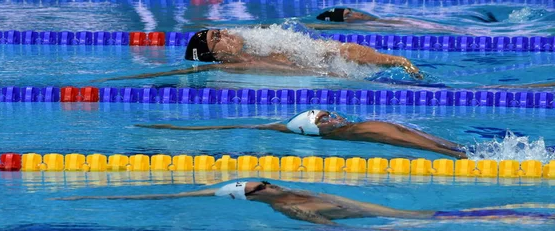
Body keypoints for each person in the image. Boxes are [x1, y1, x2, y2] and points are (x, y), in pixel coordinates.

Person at [54, 180, 553, 226]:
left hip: (370, 211)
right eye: (256, 188)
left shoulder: (278, 193)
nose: (263, 185)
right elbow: (317, 224)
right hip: (386, 219)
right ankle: (529, 215)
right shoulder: (283, 207)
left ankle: (528, 212)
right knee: (435, 219)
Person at [96, 26, 422, 83]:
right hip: (327, 80)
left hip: (332, 71)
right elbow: (180, 74)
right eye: (216, 39)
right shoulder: (233, 69)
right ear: (215, 57)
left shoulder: (266, 43)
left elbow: (336, 50)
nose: (224, 33)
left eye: (219, 30)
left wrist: (394, 60)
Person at [136, 109, 467, 158]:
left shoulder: (350, 126)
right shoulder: (353, 131)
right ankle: (459, 151)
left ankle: (460, 150)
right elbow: (396, 137)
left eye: (327, 112)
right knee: (393, 132)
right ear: (318, 131)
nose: (331, 116)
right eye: (322, 118)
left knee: (399, 130)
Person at [308, 7, 498, 34]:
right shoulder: (368, 26)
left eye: (352, 12)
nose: (357, 15)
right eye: (347, 16)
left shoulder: (378, 20)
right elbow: (324, 25)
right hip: (424, 29)